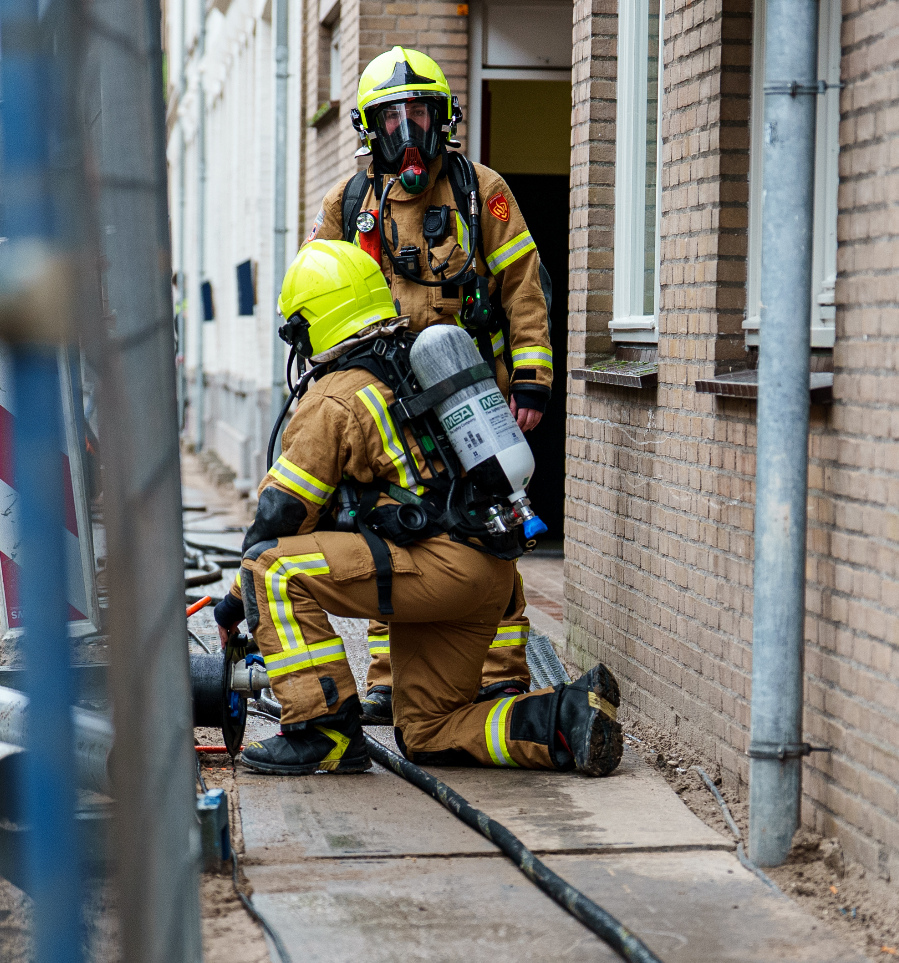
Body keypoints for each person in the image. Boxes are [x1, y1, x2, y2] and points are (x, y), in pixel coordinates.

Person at [211, 239, 620, 777]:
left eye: (298, 331)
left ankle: (323, 731)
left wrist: (233, 605)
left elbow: (281, 516)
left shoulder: (335, 397)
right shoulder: (419, 365)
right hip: (490, 575)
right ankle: (567, 716)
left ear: (314, 323)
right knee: (427, 731)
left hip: (439, 573)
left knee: (272, 569)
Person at [307, 46, 552, 724]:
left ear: (442, 116)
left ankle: (500, 673)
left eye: (419, 111)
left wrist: (530, 381)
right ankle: (390, 676)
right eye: (392, 116)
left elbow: (524, 291)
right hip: (384, 402)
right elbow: (320, 291)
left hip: (467, 389)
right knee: (396, 530)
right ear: (370, 127)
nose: (406, 129)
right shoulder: (350, 203)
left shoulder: (482, 190)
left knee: (489, 525)